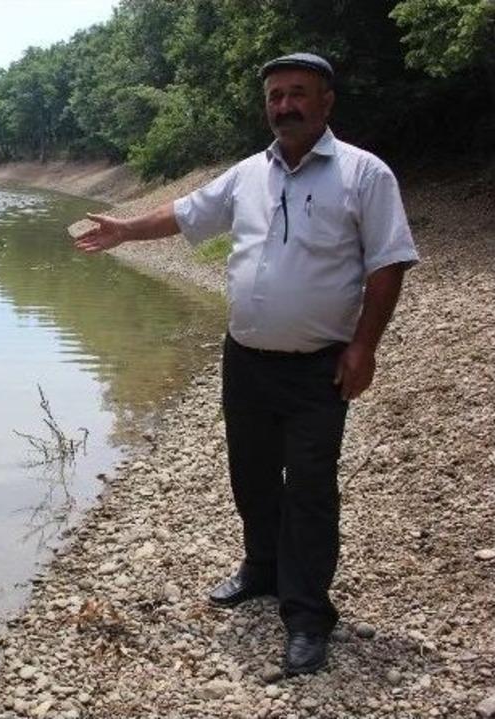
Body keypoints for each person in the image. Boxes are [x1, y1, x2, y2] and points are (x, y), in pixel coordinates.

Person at [72, 52, 419, 675]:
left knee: (310, 489)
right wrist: (124, 229)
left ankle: (309, 614)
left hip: (320, 368)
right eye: (275, 96)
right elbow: (184, 215)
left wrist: (365, 346)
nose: (284, 105)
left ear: (326, 101)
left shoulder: (365, 174)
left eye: (298, 94)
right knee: (251, 475)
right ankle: (261, 569)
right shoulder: (247, 175)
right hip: (246, 360)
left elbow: (388, 263)